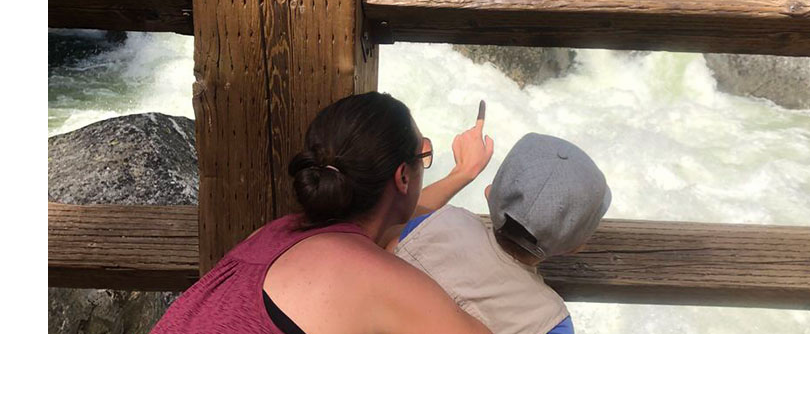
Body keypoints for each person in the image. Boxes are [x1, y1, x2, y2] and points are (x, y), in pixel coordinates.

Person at [151, 91, 494, 333]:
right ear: (403, 176)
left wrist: (461, 174)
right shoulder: (375, 277)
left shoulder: (275, 234)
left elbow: (389, 213)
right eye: (423, 155)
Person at [390, 131, 612, 334]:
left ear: (489, 193)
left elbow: (399, 220)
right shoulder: (552, 324)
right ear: (577, 246)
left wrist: (462, 172)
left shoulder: (434, 224)